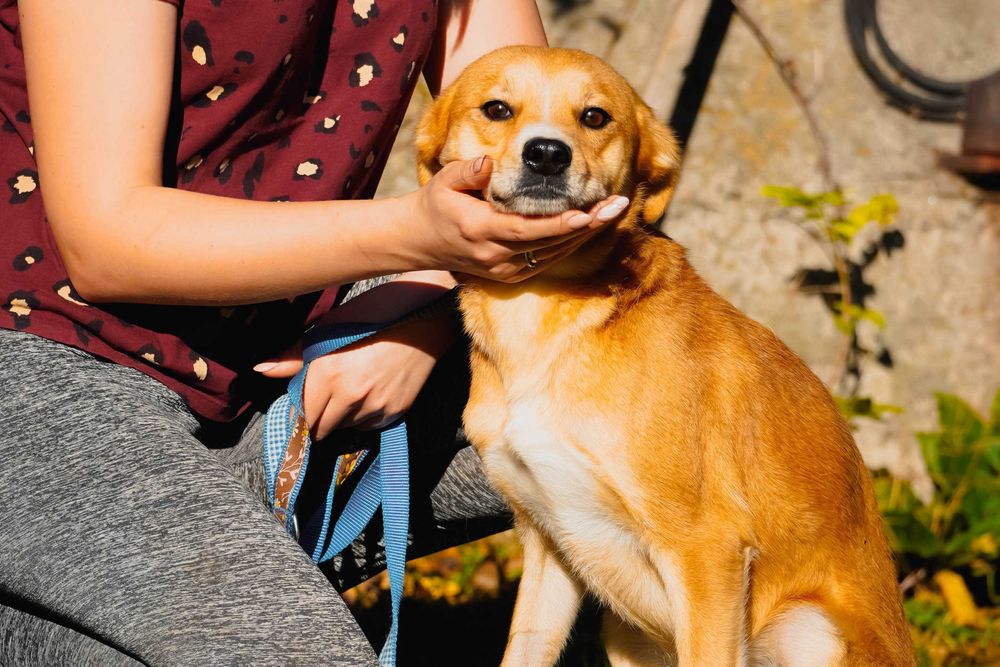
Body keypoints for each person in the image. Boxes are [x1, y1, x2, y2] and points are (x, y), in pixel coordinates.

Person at [0, 0, 627, 664]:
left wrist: (425, 313)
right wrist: (414, 238)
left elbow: (532, 186)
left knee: (641, 388)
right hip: (47, 355)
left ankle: (166, 571)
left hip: (283, 341)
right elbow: (106, 243)